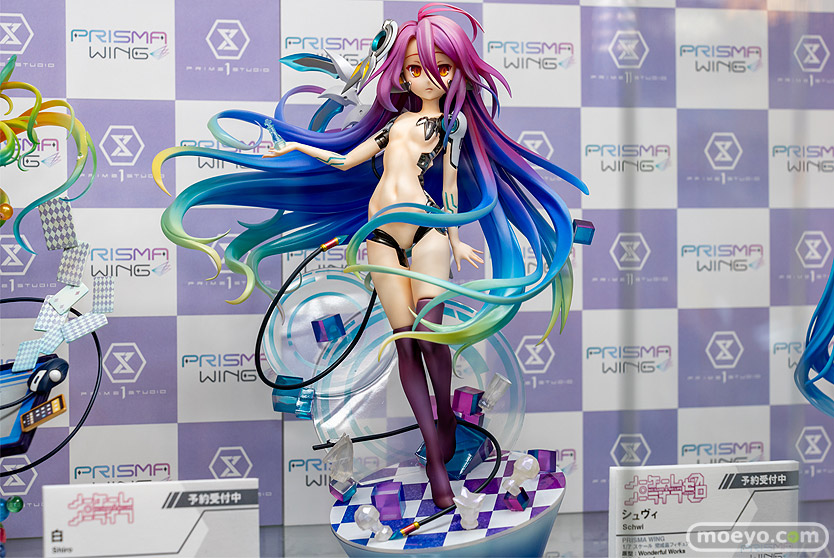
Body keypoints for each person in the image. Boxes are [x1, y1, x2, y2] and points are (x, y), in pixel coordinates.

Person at [153, 3, 587, 509]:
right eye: (416, 68)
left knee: (430, 338)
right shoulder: (394, 124)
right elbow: (344, 160)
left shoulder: (452, 127)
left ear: (457, 74)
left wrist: (456, 238)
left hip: (428, 231)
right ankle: (434, 456)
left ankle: (447, 418)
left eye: (442, 68)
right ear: (402, 72)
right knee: (405, 345)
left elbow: (449, 187)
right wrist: (295, 150)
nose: (428, 78)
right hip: (380, 238)